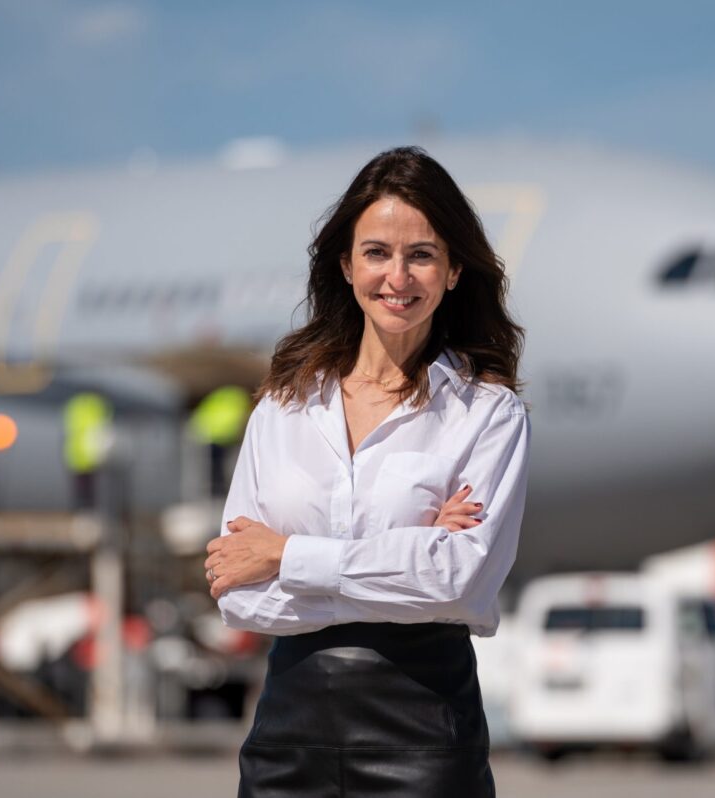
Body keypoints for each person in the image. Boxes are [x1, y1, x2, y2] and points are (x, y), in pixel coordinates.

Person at [202, 146, 529, 796]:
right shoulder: (283, 407)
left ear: (454, 270)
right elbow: (236, 590)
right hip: (286, 737)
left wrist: (286, 554)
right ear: (347, 265)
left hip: (425, 736)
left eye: (421, 255)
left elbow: (459, 581)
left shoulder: (488, 413)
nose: (397, 277)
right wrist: (411, 555)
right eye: (377, 252)